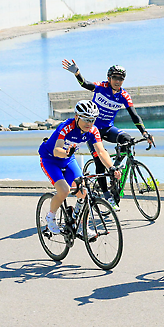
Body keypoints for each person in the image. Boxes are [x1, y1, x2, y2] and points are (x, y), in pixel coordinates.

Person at [61, 60, 154, 204]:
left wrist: (144, 133)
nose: (118, 81)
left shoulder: (124, 95)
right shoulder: (101, 87)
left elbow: (134, 115)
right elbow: (85, 84)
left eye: (121, 78)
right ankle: (106, 195)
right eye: (115, 78)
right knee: (98, 160)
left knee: (127, 139)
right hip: (92, 130)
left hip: (108, 128)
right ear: (109, 78)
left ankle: (114, 165)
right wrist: (77, 73)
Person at [38, 100, 121, 238]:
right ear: (77, 117)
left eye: (92, 120)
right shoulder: (66, 127)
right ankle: (50, 217)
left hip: (68, 160)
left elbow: (101, 151)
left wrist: (111, 168)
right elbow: (56, 149)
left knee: (83, 192)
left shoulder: (93, 131)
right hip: (50, 159)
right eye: (86, 119)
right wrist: (66, 152)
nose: (89, 123)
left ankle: (82, 225)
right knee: (64, 190)